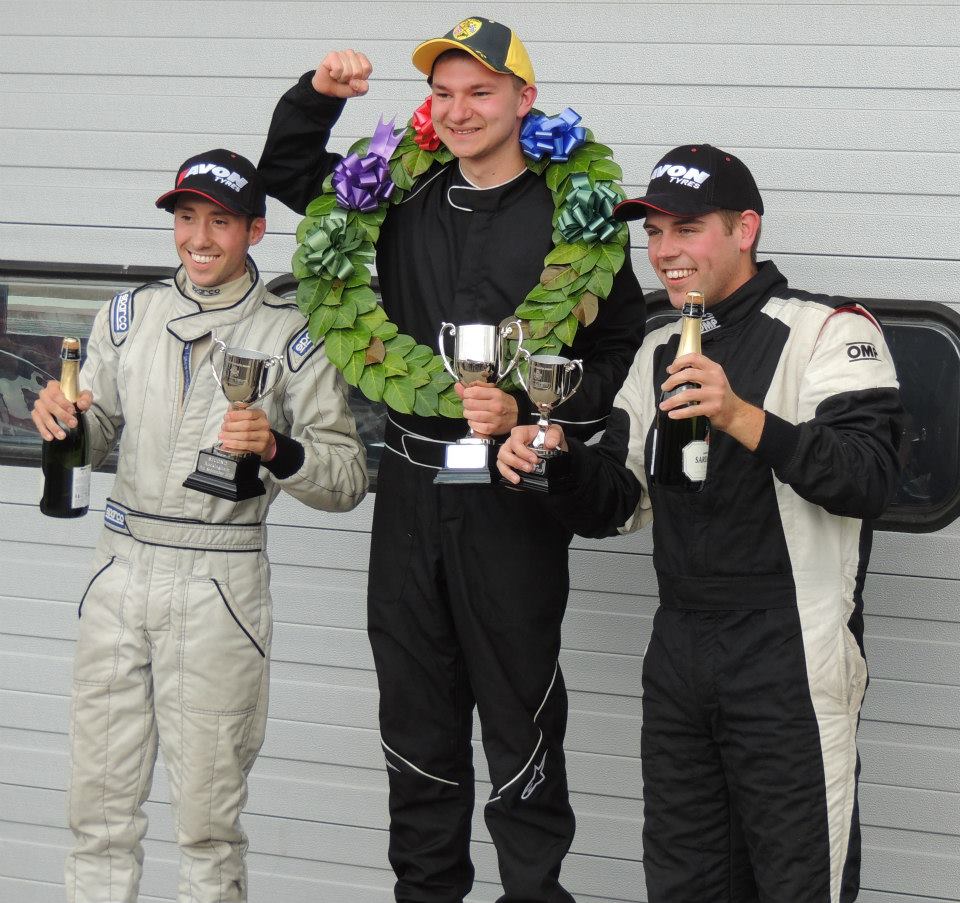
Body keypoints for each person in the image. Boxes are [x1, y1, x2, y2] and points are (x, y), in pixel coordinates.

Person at [258, 17, 646, 903]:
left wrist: (541, 409)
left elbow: (620, 347)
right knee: (414, 716)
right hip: (409, 487)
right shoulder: (400, 191)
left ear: (524, 99)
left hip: (511, 497)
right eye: (443, 93)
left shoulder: (577, 216)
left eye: (480, 92)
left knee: (519, 715)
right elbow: (286, 174)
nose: (460, 110)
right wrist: (318, 96)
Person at [498, 144, 904, 902]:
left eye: (686, 229)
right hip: (680, 649)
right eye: (653, 234)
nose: (664, 252)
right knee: (684, 884)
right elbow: (618, 501)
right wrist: (554, 460)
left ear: (745, 228)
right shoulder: (658, 347)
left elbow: (869, 479)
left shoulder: (828, 329)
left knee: (799, 886)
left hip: (791, 650)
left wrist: (742, 416)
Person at [31, 149, 368, 903]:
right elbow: (98, 434)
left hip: (219, 581)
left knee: (207, 827)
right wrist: (65, 423)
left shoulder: (293, 336)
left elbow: (346, 477)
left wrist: (277, 450)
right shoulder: (127, 316)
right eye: (187, 218)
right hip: (120, 569)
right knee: (97, 813)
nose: (200, 238)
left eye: (220, 221)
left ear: (256, 229)